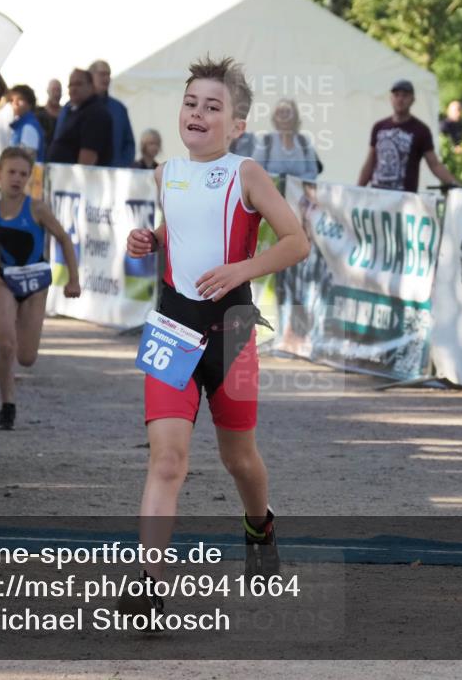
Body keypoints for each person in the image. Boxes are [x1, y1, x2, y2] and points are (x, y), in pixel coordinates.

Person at [121, 56, 309, 622]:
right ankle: (149, 584)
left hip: (232, 333)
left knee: (241, 459)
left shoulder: (247, 172)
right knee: (167, 461)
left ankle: (260, 526)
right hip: (171, 330)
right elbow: (180, 225)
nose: (198, 113)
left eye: (213, 106)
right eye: (190, 103)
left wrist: (241, 270)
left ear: (236, 125)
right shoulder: (165, 173)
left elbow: (296, 242)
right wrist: (149, 238)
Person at [0, 146, 81, 430]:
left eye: (23, 174)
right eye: (11, 172)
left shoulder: (37, 208)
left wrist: (72, 280)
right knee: (5, 345)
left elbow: (64, 239)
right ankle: (7, 406)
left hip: (36, 284)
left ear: (30, 177)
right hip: (6, 280)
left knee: (26, 357)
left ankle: (10, 396)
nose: (16, 178)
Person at [358, 79, 458, 192]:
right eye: (396, 95)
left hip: (404, 200)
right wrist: (357, 190)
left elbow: (434, 164)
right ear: (391, 99)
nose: (400, 99)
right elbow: (370, 162)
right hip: (377, 195)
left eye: (405, 96)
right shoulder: (379, 127)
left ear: (412, 100)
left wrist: (455, 184)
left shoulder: (421, 130)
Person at [47, 68, 113, 166]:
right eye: (70, 85)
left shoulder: (95, 113)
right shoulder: (73, 110)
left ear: (91, 86)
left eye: (78, 84)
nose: (73, 88)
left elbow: (87, 161)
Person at [252, 98, 321, 179]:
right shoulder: (265, 141)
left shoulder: (304, 141)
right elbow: (254, 171)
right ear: (275, 118)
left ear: (295, 117)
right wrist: (279, 181)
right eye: (281, 113)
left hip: (298, 191)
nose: (285, 116)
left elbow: (312, 172)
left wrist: (293, 182)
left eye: (288, 112)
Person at [89, 59, 136, 168]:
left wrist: (121, 165)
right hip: (85, 175)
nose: (106, 78)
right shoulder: (77, 107)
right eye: (102, 74)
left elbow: (129, 144)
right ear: (90, 76)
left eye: (108, 74)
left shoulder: (119, 109)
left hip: (113, 174)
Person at [7, 84, 46, 162]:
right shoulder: (20, 126)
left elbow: (26, 160)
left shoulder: (29, 127)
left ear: (30, 104)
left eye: (20, 99)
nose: (15, 103)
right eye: (12, 100)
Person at [34, 78, 63, 151]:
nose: (56, 94)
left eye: (58, 90)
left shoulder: (67, 114)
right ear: (48, 91)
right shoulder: (38, 114)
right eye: (53, 90)